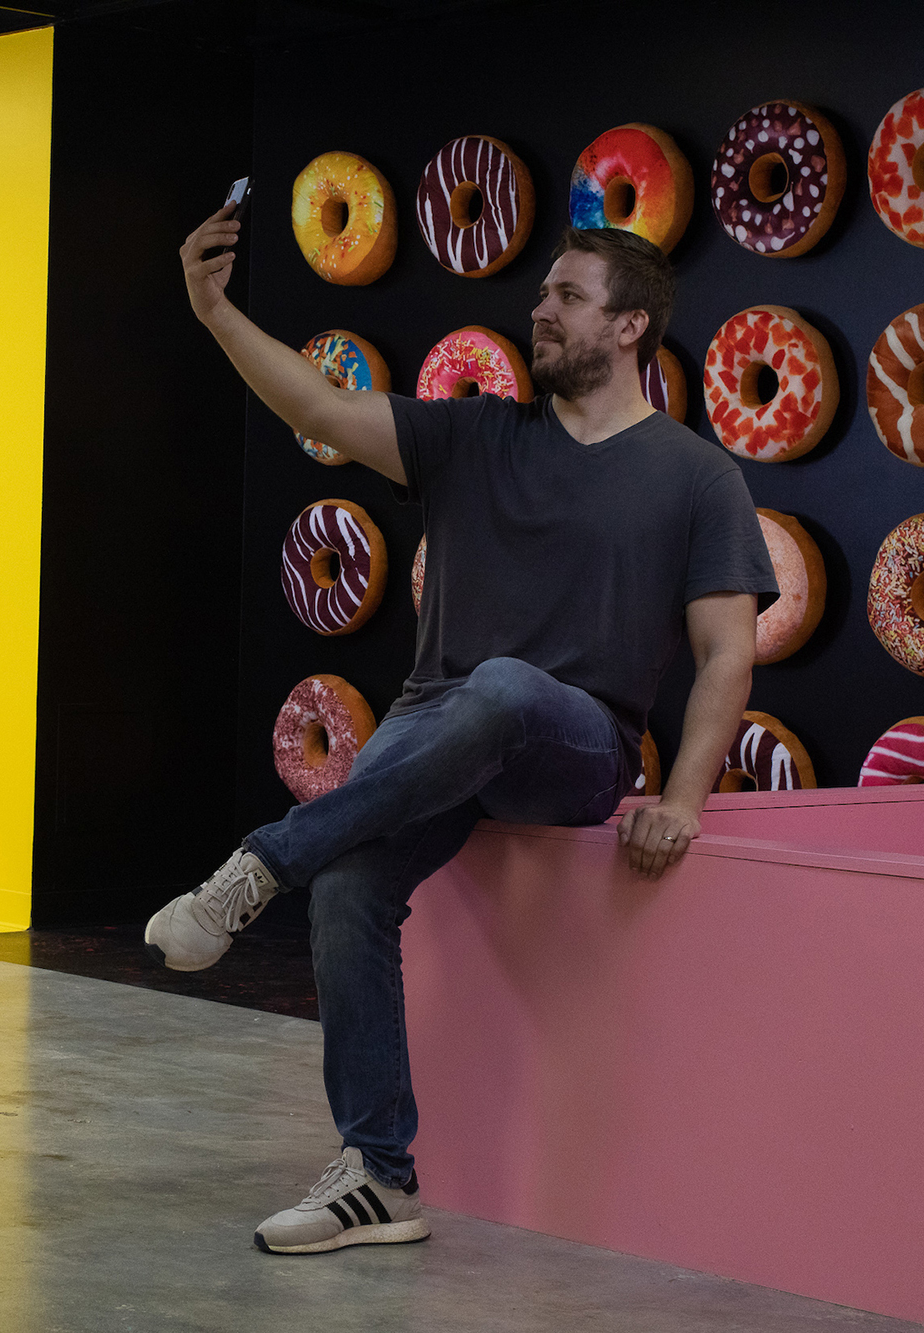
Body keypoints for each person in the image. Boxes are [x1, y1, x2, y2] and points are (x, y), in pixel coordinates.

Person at [150, 211, 776, 1254]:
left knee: (500, 689)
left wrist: (679, 800)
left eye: (564, 297)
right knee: (350, 888)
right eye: (539, 294)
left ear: (627, 327)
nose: (537, 310)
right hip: (433, 734)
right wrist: (211, 310)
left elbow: (726, 655)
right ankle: (378, 1176)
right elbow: (313, 402)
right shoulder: (473, 433)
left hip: (569, 747)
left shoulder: (694, 476)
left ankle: (258, 865)